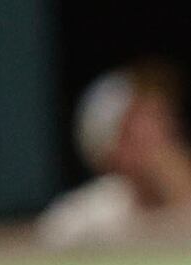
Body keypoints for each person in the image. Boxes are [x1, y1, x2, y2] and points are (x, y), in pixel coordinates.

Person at [38, 61, 191, 248]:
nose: (158, 132)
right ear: (106, 150)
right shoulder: (82, 220)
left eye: (159, 116)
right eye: (135, 126)